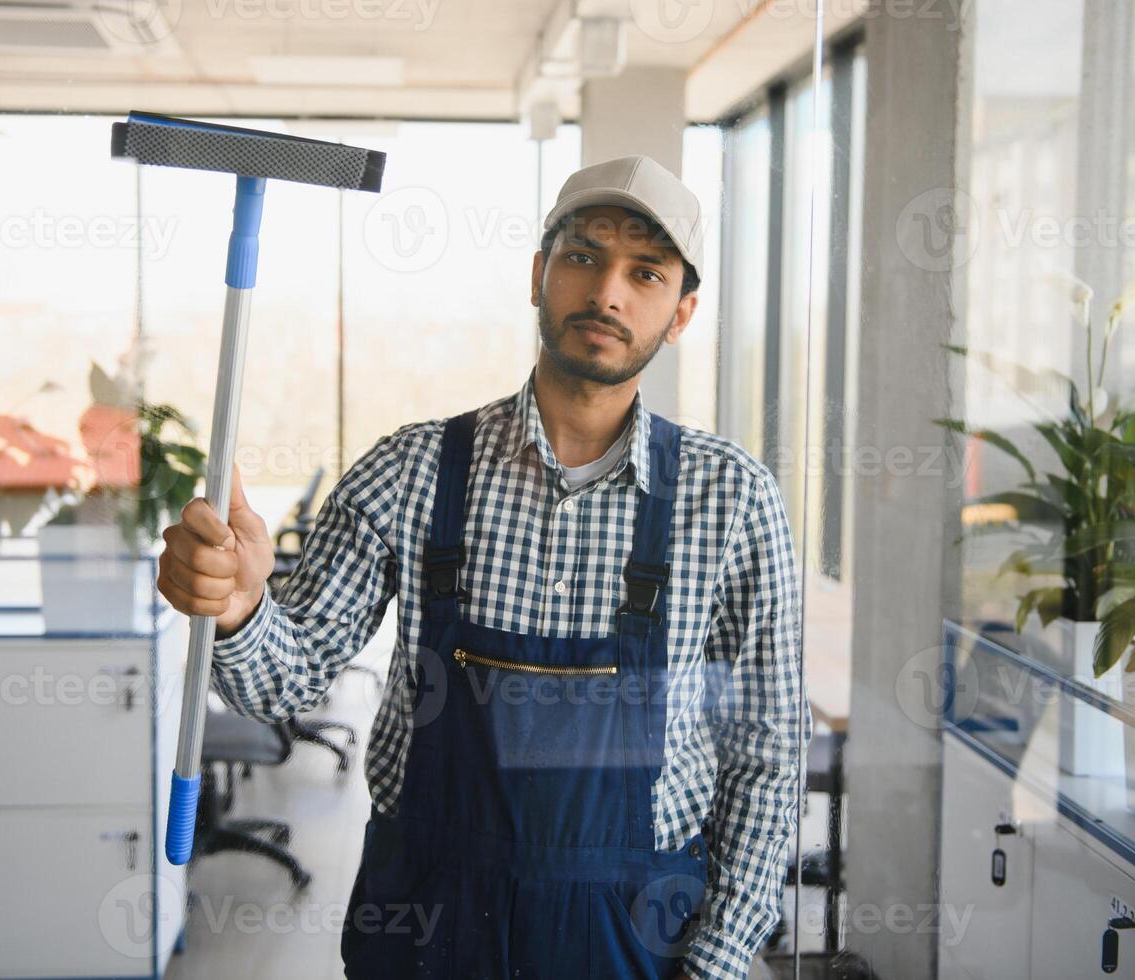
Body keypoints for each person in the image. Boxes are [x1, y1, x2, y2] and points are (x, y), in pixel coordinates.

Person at [157, 155, 812, 980]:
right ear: (539, 275)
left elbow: (766, 754)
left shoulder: (731, 501)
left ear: (679, 314)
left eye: (644, 273)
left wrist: (714, 962)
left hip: (635, 934)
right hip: (425, 914)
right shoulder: (411, 471)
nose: (607, 292)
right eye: (582, 256)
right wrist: (241, 609)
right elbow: (280, 687)